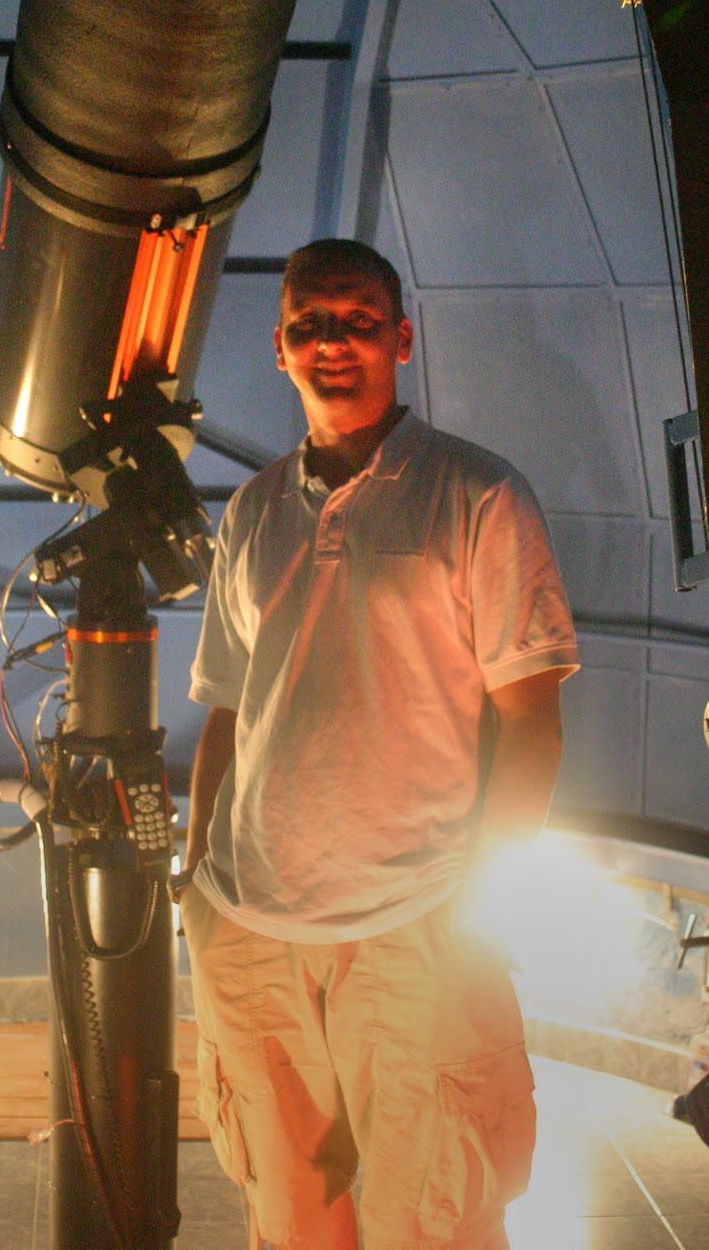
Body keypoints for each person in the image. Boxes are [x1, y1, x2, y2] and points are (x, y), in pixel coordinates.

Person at [177, 239, 579, 1250]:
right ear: (278, 347)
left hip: (416, 925)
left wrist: (479, 904)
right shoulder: (252, 511)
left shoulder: (478, 495)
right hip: (250, 925)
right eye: (308, 325)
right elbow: (226, 709)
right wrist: (195, 883)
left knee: (433, 1219)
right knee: (288, 1217)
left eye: (357, 322)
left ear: (399, 338)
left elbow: (530, 718)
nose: (332, 342)